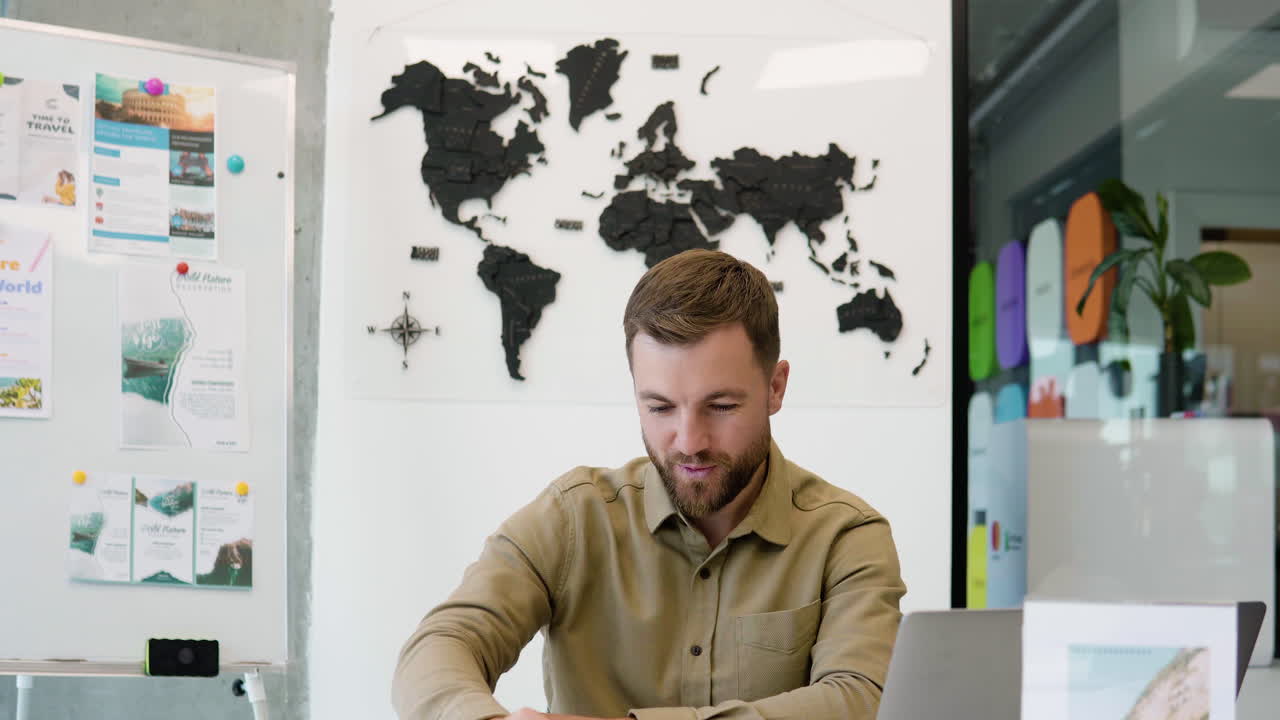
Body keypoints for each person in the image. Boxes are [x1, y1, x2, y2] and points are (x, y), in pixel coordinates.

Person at [393, 249, 906, 720]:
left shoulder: (847, 536)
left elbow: (861, 699)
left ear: (775, 387)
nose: (688, 441)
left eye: (721, 406)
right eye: (659, 407)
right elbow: (444, 642)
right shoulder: (574, 517)